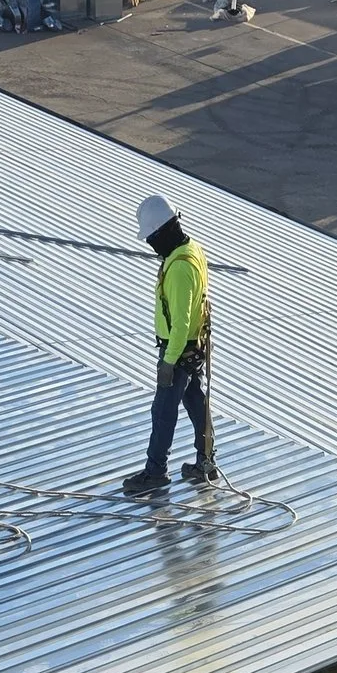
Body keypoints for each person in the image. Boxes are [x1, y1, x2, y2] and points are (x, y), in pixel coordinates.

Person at [121, 194, 218, 499]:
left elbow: (180, 320)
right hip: (194, 347)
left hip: (178, 350)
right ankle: (206, 462)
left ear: (163, 232)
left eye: (151, 239)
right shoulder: (192, 250)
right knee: (195, 402)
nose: (151, 246)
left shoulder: (178, 269)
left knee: (163, 411)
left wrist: (168, 363)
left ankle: (155, 471)